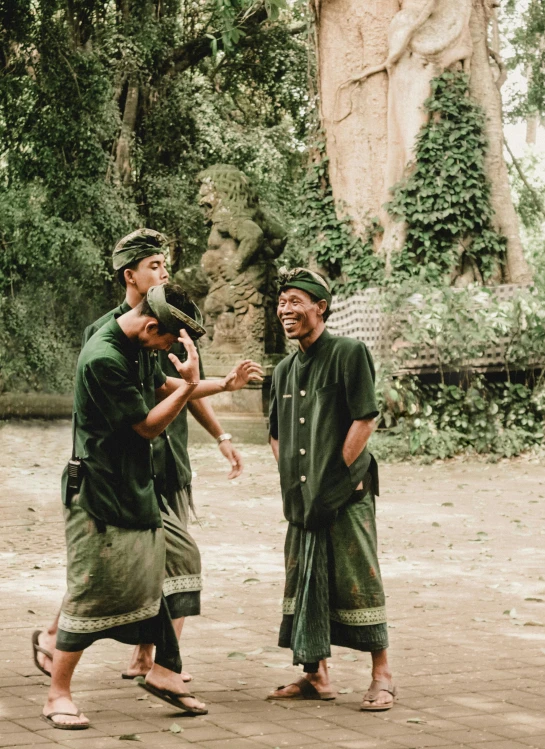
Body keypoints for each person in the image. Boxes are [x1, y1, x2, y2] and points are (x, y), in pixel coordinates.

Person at [33, 229, 250, 685]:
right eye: (154, 265)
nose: (163, 271)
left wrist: (222, 410)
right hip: (114, 480)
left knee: (171, 563)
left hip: (161, 470)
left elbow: (173, 387)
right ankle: (59, 652)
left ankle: (152, 661)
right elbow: (149, 417)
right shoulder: (110, 341)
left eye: (165, 265)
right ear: (129, 276)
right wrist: (192, 387)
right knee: (104, 570)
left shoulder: (156, 323)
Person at [266, 267, 396, 710]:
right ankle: (315, 674)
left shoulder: (349, 352)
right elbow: (275, 433)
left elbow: (366, 417)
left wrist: (336, 474)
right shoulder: (283, 370)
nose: (286, 310)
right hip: (302, 501)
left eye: (296, 302)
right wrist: (292, 478)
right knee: (304, 580)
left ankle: (382, 675)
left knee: (359, 579)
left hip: (347, 494)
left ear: (320, 307)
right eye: (282, 302)